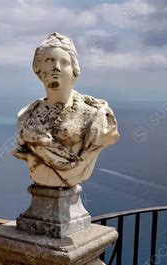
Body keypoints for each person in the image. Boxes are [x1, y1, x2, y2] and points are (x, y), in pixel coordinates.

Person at [13, 32, 120, 187]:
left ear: (74, 70)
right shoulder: (27, 117)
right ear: (38, 68)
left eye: (64, 62)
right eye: (49, 61)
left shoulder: (94, 116)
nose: (56, 67)